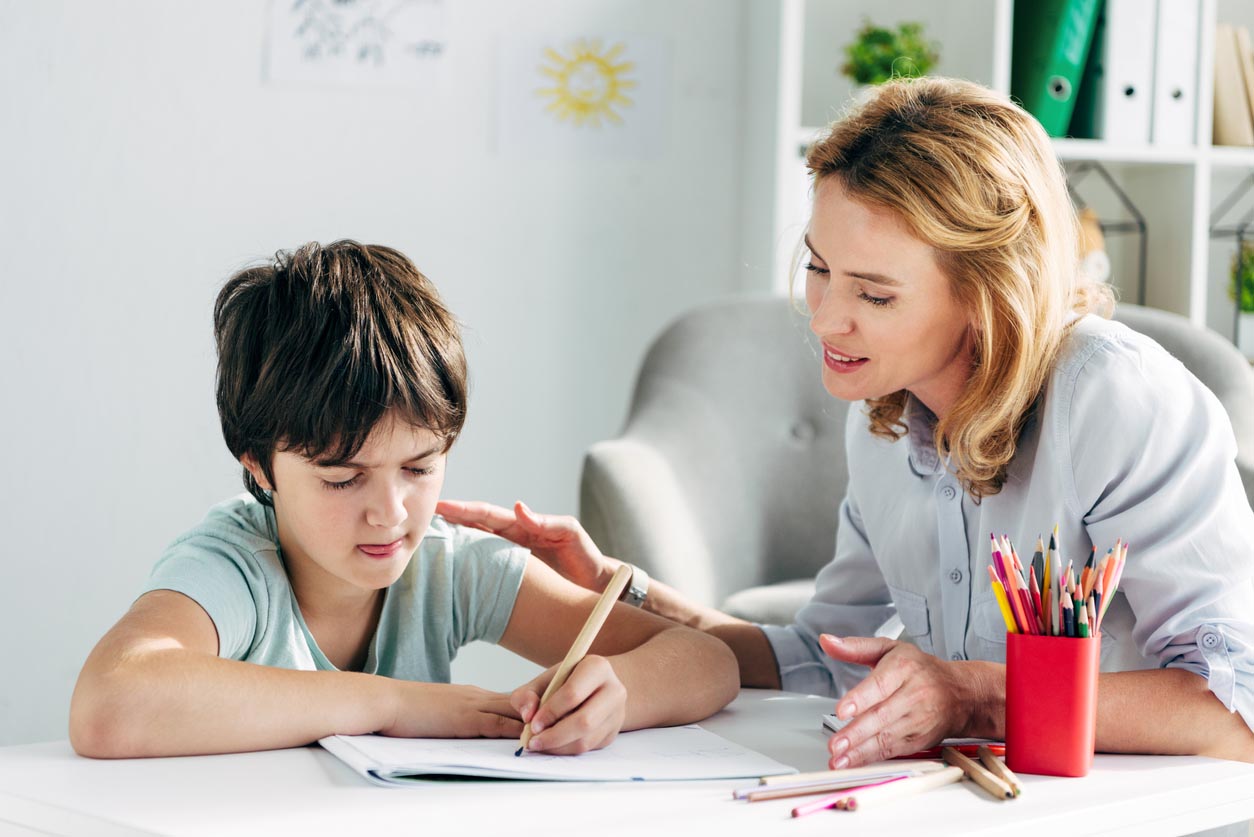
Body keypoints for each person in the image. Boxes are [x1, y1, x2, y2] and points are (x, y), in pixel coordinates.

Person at [437, 77, 1254, 768]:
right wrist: (623, 591)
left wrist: (969, 693)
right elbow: (822, 658)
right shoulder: (881, 421)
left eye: (874, 293)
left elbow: (1234, 708)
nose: (825, 321)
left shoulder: (1116, 399)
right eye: (820, 270)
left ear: (987, 292)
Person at [69, 240, 738, 758]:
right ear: (260, 467)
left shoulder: (448, 563)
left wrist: (620, 693)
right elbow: (110, 701)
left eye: (419, 467)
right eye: (342, 477)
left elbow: (708, 660)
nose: (389, 512)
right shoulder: (235, 566)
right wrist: (395, 703)